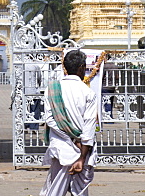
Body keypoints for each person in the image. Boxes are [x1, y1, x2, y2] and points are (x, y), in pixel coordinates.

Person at [40, 49, 97, 196]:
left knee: (55, 189)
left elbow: (50, 120)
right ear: (82, 68)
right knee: (80, 191)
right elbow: (89, 126)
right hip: (81, 150)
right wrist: (82, 156)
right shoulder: (88, 92)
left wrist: (70, 139)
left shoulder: (51, 89)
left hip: (61, 147)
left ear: (65, 67)